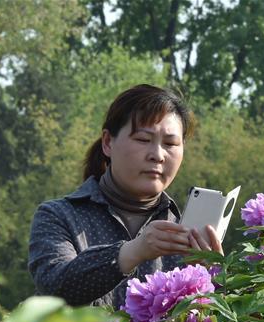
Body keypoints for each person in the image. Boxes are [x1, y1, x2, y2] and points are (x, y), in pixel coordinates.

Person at [28, 84, 223, 309]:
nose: (157, 155)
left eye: (170, 144)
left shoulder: (186, 232)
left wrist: (212, 279)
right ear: (108, 143)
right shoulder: (58, 216)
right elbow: (53, 290)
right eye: (142, 139)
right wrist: (131, 252)